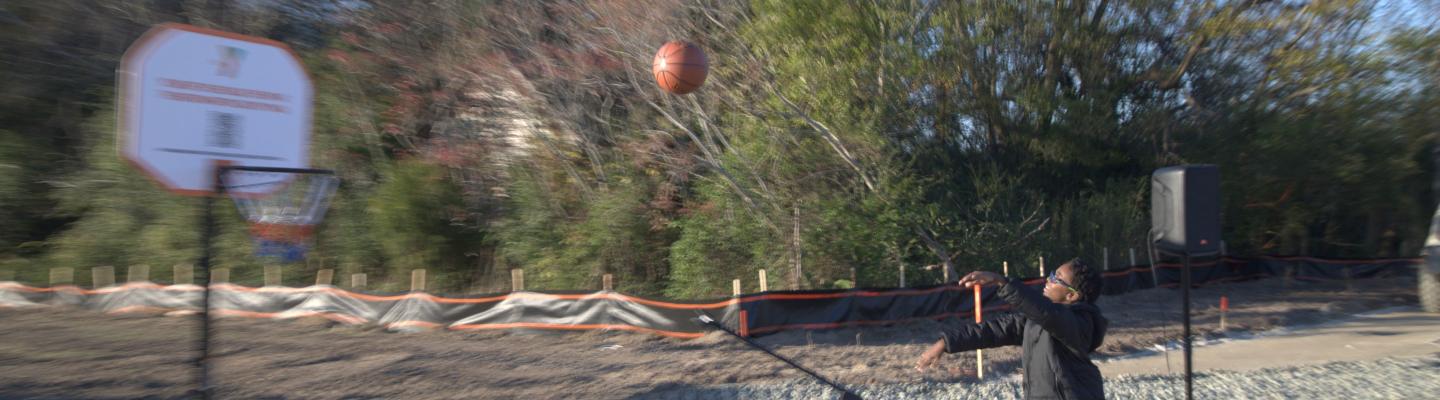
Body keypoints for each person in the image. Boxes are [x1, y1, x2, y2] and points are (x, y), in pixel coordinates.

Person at [914, 259, 1108, 400]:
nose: (1048, 280)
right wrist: (945, 343)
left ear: (1072, 296)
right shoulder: (1037, 322)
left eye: (1056, 279)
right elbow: (994, 330)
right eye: (1051, 274)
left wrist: (1002, 283)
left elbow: (1048, 314)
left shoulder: (1080, 324)